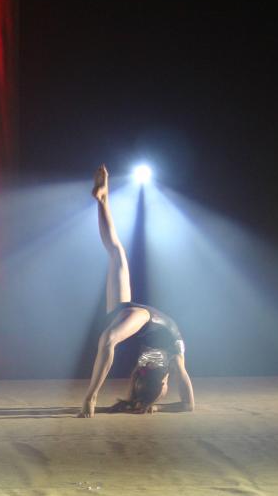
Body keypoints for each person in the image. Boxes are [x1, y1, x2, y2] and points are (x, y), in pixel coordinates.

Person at [79, 165, 195, 417]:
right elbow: (188, 405)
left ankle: (91, 396)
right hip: (135, 316)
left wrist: (150, 402)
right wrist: (153, 404)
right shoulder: (170, 361)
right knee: (116, 255)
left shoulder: (171, 360)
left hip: (139, 316)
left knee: (117, 254)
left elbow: (188, 402)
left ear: (162, 384)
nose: (167, 387)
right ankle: (102, 200)